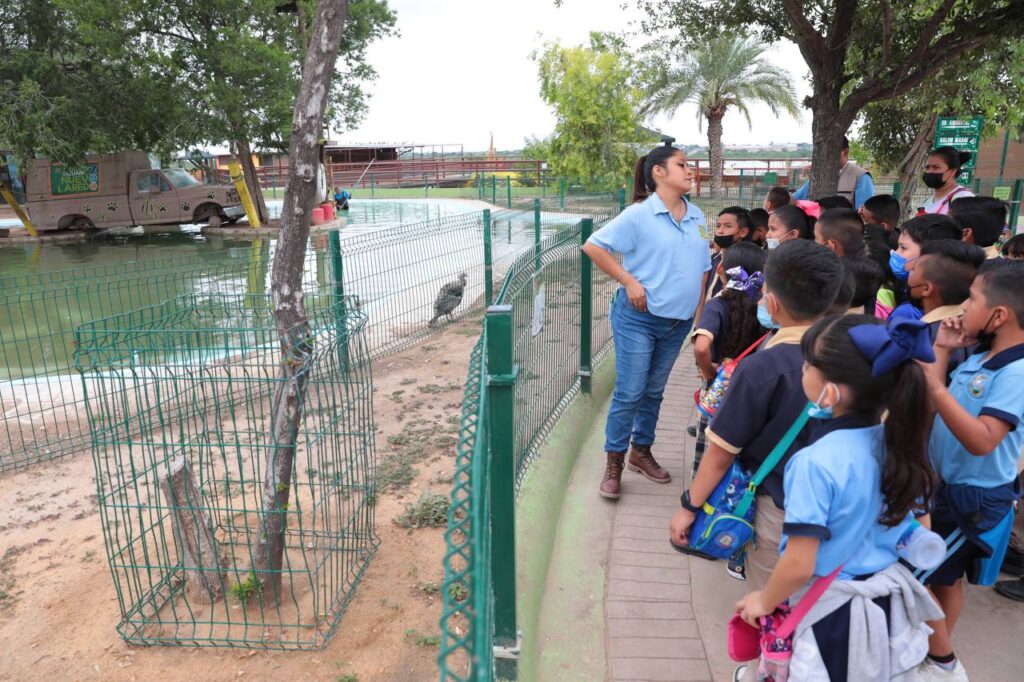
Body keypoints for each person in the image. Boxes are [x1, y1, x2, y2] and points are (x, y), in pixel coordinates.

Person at [735, 314, 942, 682]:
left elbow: (799, 564)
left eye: (808, 364)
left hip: (830, 616)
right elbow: (920, 527)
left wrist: (762, 601)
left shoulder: (815, 462)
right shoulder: (897, 442)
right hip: (885, 608)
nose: (802, 370)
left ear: (833, 389)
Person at [671, 240, 842, 592]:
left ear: (774, 303)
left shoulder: (762, 368)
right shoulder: (856, 353)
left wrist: (690, 507)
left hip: (779, 509)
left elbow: (720, 455)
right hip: (841, 508)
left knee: (774, 605)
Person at [583, 142, 711, 499]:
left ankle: (641, 451)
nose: (690, 171)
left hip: (677, 324)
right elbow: (593, 246)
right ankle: (614, 462)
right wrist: (627, 280)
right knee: (630, 392)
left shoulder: (697, 216)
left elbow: (703, 268)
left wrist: (699, 320)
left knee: (654, 391)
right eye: (682, 165)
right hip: (638, 319)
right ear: (659, 172)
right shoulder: (639, 215)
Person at [918, 260, 1024, 681]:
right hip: (949, 486)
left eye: (972, 299)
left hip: (973, 498)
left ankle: (943, 662)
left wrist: (938, 388)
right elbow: (935, 406)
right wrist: (942, 351)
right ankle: (934, 652)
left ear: (998, 316)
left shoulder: (1017, 372)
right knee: (944, 579)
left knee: (914, 574)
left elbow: (981, 439)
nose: (963, 306)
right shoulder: (984, 355)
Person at [691, 242, 766, 480]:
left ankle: (698, 495)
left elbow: (702, 346)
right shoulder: (763, 308)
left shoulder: (717, 306)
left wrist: (711, 375)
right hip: (752, 383)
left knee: (709, 442)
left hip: (719, 384)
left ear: (721, 268)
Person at [907, 240, 986, 379]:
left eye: (913, 269)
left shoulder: (916, 338)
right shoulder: (978, 333)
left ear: (926, 289)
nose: (907, 271)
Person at [793, 136, 875, 209]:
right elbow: (795, 199)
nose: (824, 158)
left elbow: (864, 214)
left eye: (830, 153)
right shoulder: (818, 176)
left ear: (845, 152)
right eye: (821, 154)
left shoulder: (861, 177)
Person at [919, 147, 975, 216]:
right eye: (927, 167)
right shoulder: (927, 201)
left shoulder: (964, 199)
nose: (929, 171)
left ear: (952, 172)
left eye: (936, 167)